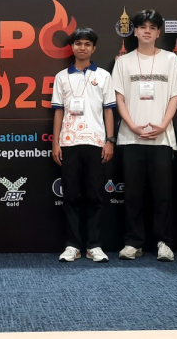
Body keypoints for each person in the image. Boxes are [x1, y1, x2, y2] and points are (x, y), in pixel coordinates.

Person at [111, 9, 177, 262]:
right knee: (133, 195)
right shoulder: (123, 62)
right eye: (143, 27)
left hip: (162, 138)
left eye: (152, 27)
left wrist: (163, 125)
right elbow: (118, 97)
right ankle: (134, 242)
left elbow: (175, 95)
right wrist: (132, 125)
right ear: (135, 31)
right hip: (131, 137)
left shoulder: (171, 60)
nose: (147, 31)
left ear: (159, 32)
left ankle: (164, 242)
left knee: (162, 194)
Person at [50, 28, 116, 263]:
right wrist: (56, 142)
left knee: (95, 196)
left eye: (87, 44)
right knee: (70, 196)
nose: (82, 48)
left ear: (94, 48)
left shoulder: (104, 76)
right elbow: (58, 112)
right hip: (69, 143)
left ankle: (94, 245)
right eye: (78, 43)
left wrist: (109, 141)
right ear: (72, 47)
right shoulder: (61, 77)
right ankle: (72, 245)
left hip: (96, 142)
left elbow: (108, 111)